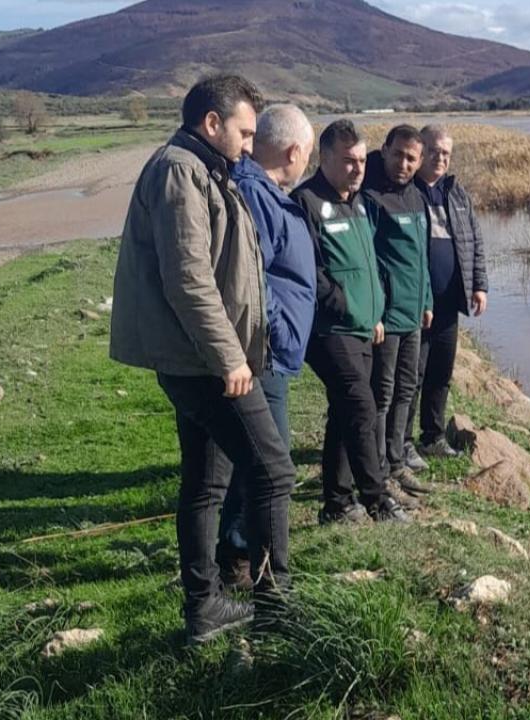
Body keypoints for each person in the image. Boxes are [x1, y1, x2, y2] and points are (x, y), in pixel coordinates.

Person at [109, 75, 295, 644]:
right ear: (211, 124)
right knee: (273, 471)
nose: (248, 144)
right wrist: (230, 358)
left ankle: (205, 606)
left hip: (204, 361)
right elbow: (189, 278)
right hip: (208, 365)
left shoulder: (207, 169)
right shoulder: (180, 170)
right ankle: (277, 605)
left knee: (207, 485)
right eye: (243, 132)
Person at [215, 104, 316, 590]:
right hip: (264, 352)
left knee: (256, 458)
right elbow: (253, 279)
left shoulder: (268, 191)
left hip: (269, 350)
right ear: (295, 151)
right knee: (270, 464)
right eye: (308, 155)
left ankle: (238, 553)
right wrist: (277, 333)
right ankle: (253, 572)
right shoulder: (256, 193)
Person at [293, 119, 408, 525]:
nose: (358, 168)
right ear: (323, 158)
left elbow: (368, 262)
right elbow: (310, 273)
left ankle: (336, 503)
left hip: (363, 326)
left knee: (344, 412)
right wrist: (347, 306)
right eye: (348, 161)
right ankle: (377, 499)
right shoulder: (305, 202)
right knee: (361, 406)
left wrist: (375, 310)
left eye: (361, 160)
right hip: (329, 329)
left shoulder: (358, 202)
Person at [402, 124, 489, 469]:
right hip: (415, 303)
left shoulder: (457, 193)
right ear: (421, 151)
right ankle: (402, 442)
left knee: (440, 373)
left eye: (446, 154)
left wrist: (479, 286)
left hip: (449, 302)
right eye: (435, 151)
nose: (440, 159)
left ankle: (433, 436)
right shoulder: (406, 192)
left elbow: (475, 243)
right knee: (412, 375)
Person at [359, 125, 433, 498]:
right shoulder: (371, 197)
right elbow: (367, 261)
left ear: (419, 162)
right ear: (385, 150)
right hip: (386, 318)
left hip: (413, 314)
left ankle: (397, 462)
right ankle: (378, 469)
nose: (403, 163)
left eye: (411, 158)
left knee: (406, 388)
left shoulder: (417, 196)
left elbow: (420, 257)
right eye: (398, 154)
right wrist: (374, 312)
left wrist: (428, 301)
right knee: (382, 394)